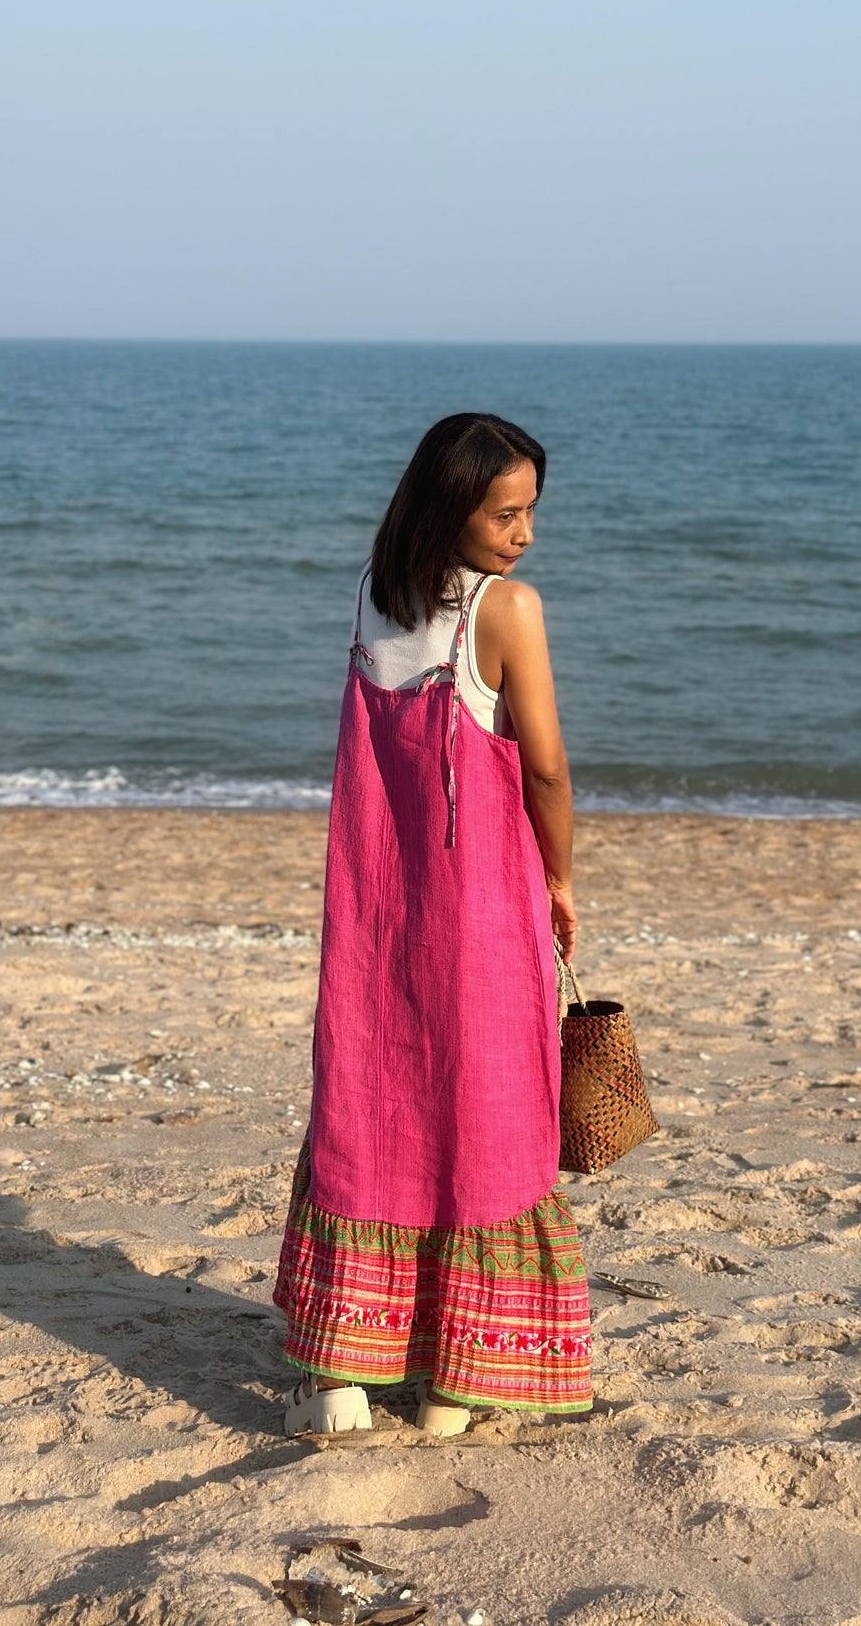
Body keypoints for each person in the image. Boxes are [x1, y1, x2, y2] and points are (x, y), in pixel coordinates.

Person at [274, 412, 593, 1436]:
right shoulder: (505, 613)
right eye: (507, 512)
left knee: (369, 1103)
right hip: (480, 907)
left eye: (530, 511)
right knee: (490, 1113)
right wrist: (561, 877)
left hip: (375, 906)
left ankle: (340, 1378)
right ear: (449, 505)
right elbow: (541, 765)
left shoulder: (371, 596)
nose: (524, 532)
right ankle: (456, 1380)